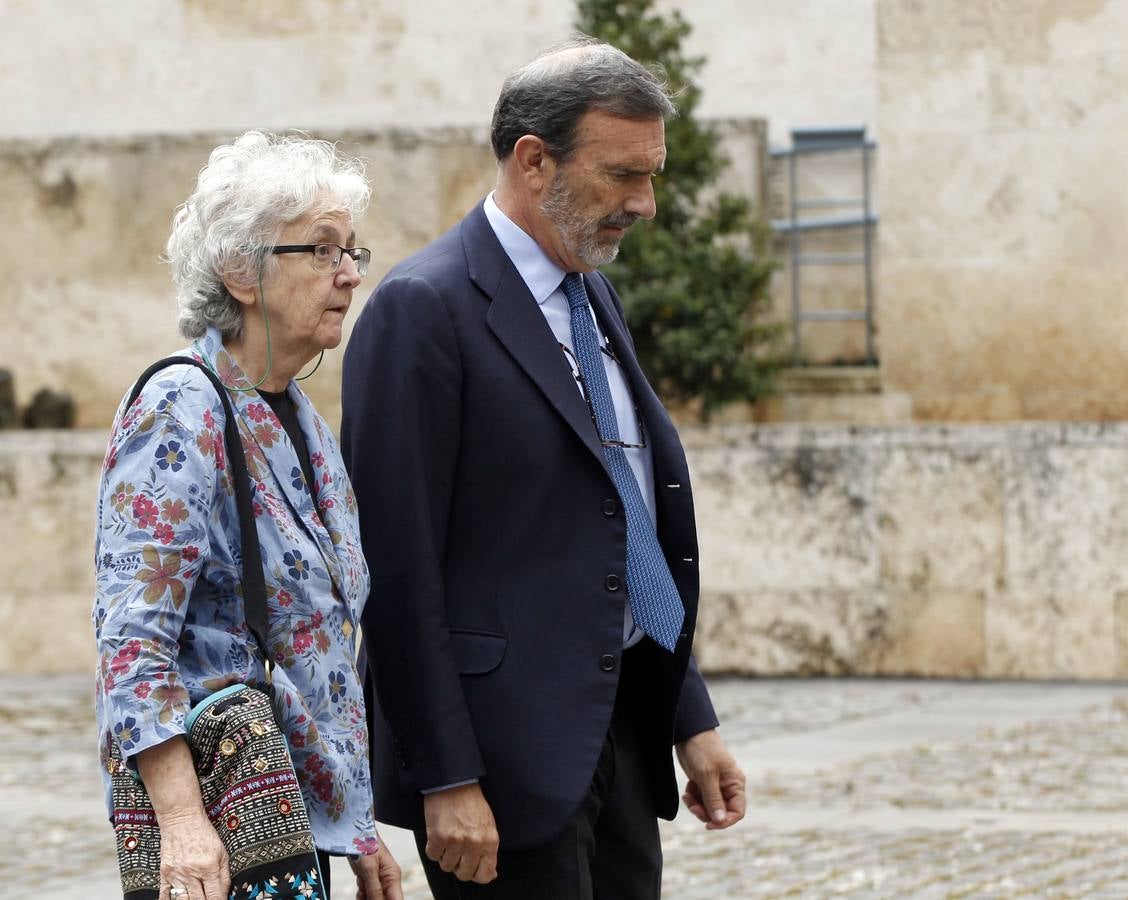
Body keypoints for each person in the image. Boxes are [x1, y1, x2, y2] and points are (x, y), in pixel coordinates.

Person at [341, 38, 746, 899]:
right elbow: (396, 570)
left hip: (623, 738)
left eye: (653, 175)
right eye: (621, 176)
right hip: (501, 768)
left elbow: (622, 519)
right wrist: (446, 777)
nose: (644, 203)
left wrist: (687, 716)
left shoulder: (593, 291)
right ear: (533, 160)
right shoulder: (424, 310)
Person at [92, 132, 403, 900]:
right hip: (225, 824)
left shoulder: (299, 419)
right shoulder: (182, 407)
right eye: (323, 251)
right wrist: (182, 824)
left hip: (302, 821)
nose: (351, 274)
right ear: (240, 271)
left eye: (353, 251)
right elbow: (133, 642)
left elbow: (321, 648)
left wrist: (355, 828)